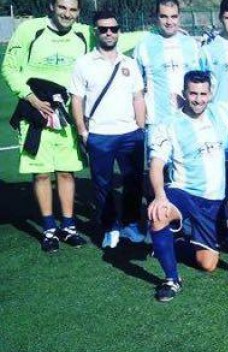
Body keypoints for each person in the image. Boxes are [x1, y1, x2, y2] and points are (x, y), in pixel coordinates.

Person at [2, 0, 91, 252]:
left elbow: (118, 38)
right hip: (35, 112)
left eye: (72, 9)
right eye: (62, 7)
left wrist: (158, 33)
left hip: (67, 115)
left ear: (78, 12)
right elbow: (9, 68)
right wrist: (31, 98)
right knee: (41, 173)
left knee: (66, 172)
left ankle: (69, 227)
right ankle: (49, 229)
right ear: (51, 6)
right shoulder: (30, 30)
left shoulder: (85, 33)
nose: (67, 13)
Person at [146, 71, 228, 302]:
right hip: (183, 191)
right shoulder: (168, 124)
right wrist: (160, 196)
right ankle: (171, 279)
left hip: (214, 200)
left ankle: (175, 242)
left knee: (208, 264)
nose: (198, 99)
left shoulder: (221, 113)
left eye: (203, 94)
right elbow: (156, 165)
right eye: (193, 93)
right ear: (184, 93)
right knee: (159, 215)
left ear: (210, 94)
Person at [70, 9, 147, 249]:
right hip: (100, 135)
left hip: (130, 134)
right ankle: (110, 227)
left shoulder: (129, 63)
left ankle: (131, 223)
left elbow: (138, 97)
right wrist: (83, 131)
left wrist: (140, 128)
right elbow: (76, 99)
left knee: (133, 182)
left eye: (113, 29)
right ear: (96, 31)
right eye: (104, 29)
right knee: (102, 185)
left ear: (119, 31)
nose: (109, 33)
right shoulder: (84, 63)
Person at [134, 0, 201, 128]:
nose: (169, 22)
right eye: (163, 16)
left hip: (188, 119)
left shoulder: (191, 44)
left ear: (179, 17)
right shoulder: (144, 45)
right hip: (157, 122)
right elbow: (136, 87)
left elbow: (199, 83)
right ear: (156, 17)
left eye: (173, 16)